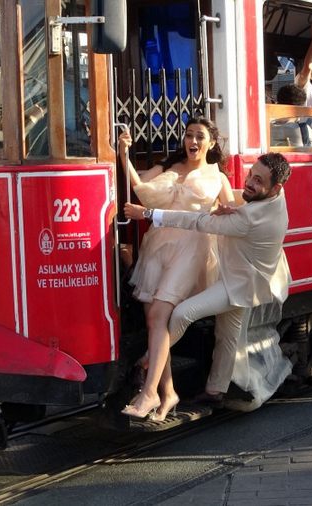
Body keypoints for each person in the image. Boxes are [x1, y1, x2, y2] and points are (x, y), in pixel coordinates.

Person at [124, 152, 292, 408]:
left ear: (275, 187)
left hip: (237, 284)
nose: (249, 182)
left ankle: (146, 361)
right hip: (251, 279)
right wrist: (234, 208)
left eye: (258, 180)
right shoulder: (278, 198)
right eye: (250, 174)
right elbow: (255, 206)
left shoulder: (246, 220)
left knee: (182, 313)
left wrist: (148, 213)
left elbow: (196, 221)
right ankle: (215, 391)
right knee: (227, 337)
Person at [117, 118, 235, 421]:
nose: (192, 141)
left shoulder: (218, 177)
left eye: (200, 136)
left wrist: (223, 211)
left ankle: (149, 393)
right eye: (188, 135)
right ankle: (168, 392)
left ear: (211, 143)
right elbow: (140, 188)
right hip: (158, 244)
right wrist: (123, 154)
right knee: (154, 320)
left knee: (158, 315)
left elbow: (232, 213)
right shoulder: (169, 166)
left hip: (191, 248)